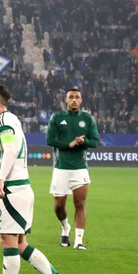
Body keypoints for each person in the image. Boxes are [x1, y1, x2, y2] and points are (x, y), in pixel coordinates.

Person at [0, 84, 72, 274]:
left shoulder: (2, 121)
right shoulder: (12, 120)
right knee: (20, 244)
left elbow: (11, 150)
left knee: (7, 241)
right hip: (21, 187)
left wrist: (1, 178)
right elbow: (13, 151)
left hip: (13, 190)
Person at [45, 87, 99, 250]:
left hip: (80, 168)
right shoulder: (57, 117)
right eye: (71, 97)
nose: (74, 100)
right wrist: (69, 144)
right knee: (59, 205)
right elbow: (49, 139)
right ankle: (65, 227)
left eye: (77, 97)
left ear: (81, 101)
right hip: (61, 167)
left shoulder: (88, 119)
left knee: (80, 203)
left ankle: (79, 241)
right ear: (66, 100)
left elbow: (95, 142)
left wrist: (83, 142)